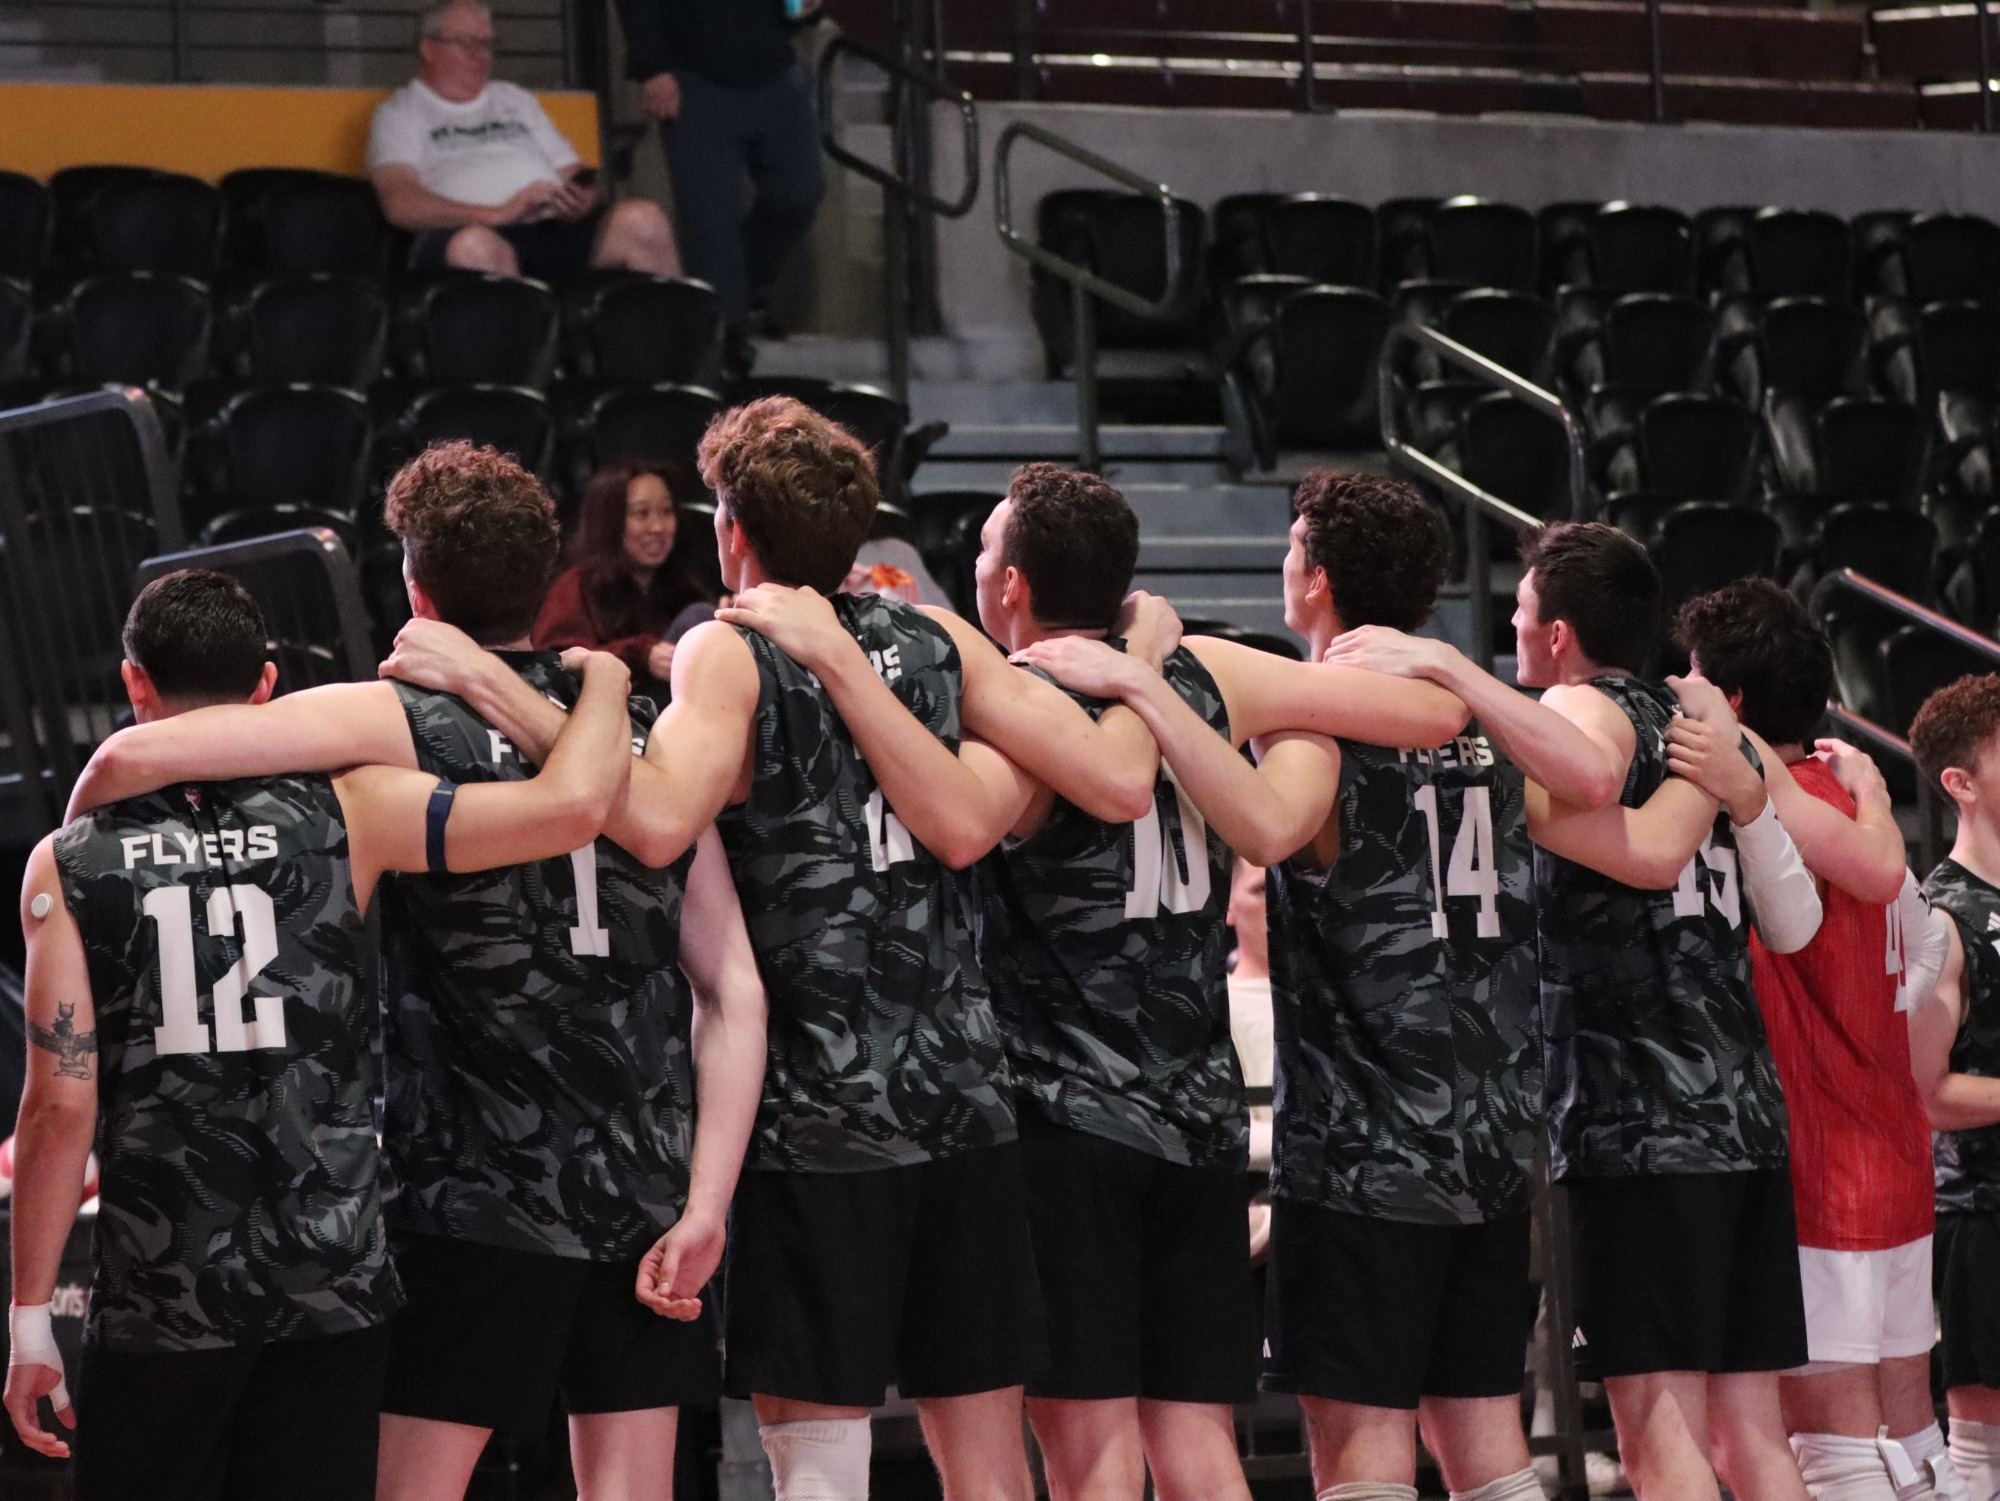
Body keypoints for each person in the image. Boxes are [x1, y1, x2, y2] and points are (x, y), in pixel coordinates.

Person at [376, 399, 1176, 1501]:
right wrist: (1140, 656)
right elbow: (1116, 780)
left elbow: (652, 821)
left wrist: (496, 686)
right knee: (986, 1467)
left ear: (732, 531)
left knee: (819, 1470)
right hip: (962, 1101)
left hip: (821, 1119)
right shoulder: (939, 637)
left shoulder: (729, 649)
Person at [61, 444, 770, 1501]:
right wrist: (708, 1201)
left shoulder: (394, 719)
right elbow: (733, 990)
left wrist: (71, 862)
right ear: (545, 580)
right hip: (643, 1183)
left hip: (469, 1189)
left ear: (415, 588)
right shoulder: (632, 742)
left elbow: (137, 758)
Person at [2, 568, 634, 1500]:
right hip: (330, 1275)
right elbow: (572, 807)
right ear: (266, 683)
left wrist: (26, 1318)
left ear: (135, 685)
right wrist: (610, 683)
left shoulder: (70, 857)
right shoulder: (354, 810)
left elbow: (59, 1102)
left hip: (165, 1286)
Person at [1324, 521, 1823, 1501]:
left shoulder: (1573, 714)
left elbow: (1635, 845)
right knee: (1752, 1439)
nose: (1511, 631)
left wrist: (1455, 683)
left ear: (1553, 633)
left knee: (1656, 1433)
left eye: (1516, 615)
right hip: (1741, 1103)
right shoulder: (1697, 720)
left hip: (1640, 1115)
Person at [1674, 580, 1955, 1501]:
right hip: (1897, 1155)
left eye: (1693, 677)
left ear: (1735, 702)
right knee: (1911, 1427)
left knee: (1830, 1446)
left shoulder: (1761, 807)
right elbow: (1918, 947)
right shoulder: (1852, 794)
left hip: (1819, 1166)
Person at [368, 0, 680, 280]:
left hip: (551, 227)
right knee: (475, 247)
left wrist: (582, 199)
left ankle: (681, 339)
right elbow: (400, 203)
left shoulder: (514, 99)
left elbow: (574, 174)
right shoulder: (400, 113)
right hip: (472, 231)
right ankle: (527, 341)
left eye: (488, 44)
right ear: (429, 48)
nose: (481, 57)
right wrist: (496, 214)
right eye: (468, 44)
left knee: (643, 219)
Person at [613, 0, 826, 368]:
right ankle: (726, 334)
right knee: (710, 217)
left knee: (801, 189)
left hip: (773, 65)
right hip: (694, 74)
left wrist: (804, 9)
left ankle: (743, 293)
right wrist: (654, 67)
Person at [1910, 675, 2000, 1501]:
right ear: (1960, 782)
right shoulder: (1943, 915)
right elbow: (1926, 1093)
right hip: (1984, 1214)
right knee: (1981, 1455)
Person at [534, 462, 719, 699]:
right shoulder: (579, 584)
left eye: (666, 511)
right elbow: (555, 661)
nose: (657, 527)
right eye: (641, 514)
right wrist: (640, 656)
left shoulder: (681, 582)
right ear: (610, 521)